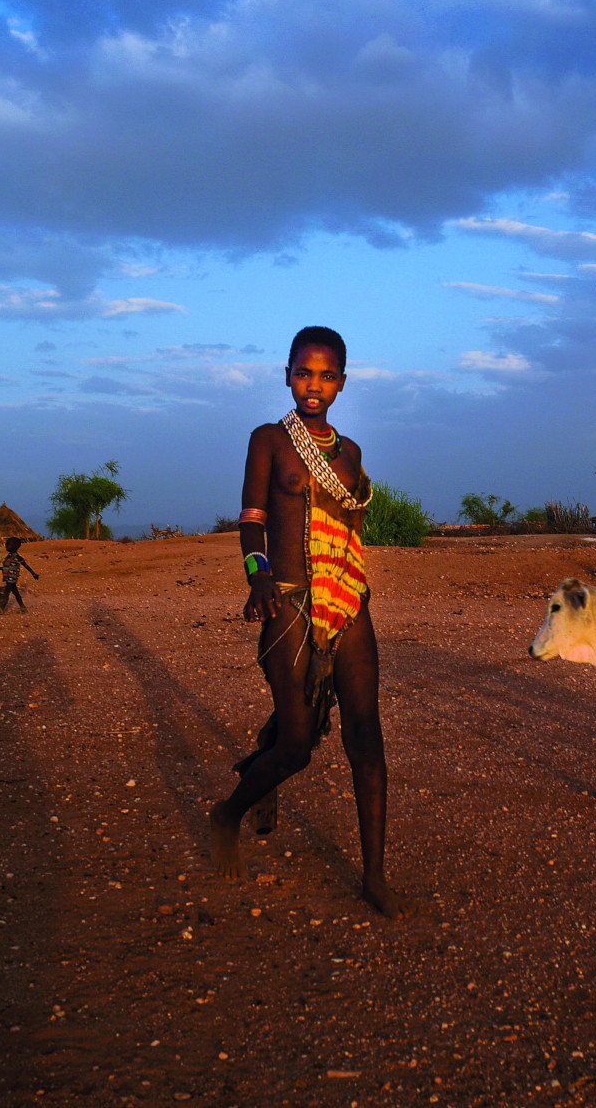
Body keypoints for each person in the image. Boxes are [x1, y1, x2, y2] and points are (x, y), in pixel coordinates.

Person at [210, 326, 407, 917]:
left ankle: (373, 876)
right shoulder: (269, 440)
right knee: (297, 746)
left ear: (342, 384)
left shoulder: (351, 456)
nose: (312, 385)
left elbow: (352, 534)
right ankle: (230, 810)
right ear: (287, 374)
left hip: (348, 604)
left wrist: (348, 591)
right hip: (290, 600)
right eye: (303, 373)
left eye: (325, 376)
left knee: (365, 737)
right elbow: (251, 520)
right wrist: (257, 576)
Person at [0, 536, 39, 613]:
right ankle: (22, 608)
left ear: (14, 546)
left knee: (6, 593)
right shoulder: (8, 556)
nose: (6, 545)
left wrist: (33, 574)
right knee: (16, 593)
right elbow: (6, 567)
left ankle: (1, 608)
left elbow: (26, 566)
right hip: (8, 578)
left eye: (8, 544)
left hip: (12, 578)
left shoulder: (18, 557)